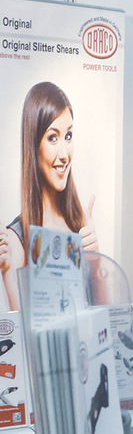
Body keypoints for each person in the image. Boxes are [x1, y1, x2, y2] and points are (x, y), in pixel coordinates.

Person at [1, 81, 98, 312]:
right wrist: (7, 273)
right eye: (52, 138)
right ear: (34, 145)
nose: (64, 154)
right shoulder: (18, 237)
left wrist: (96, 260)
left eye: (69, 135)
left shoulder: (78, 225)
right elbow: (24, 335)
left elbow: (102, 314)